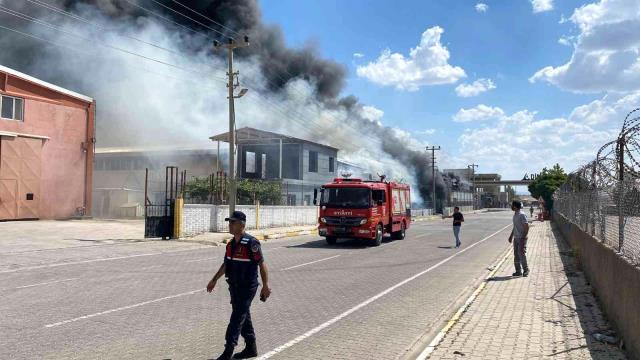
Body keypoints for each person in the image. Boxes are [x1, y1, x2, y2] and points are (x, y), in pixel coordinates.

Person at [207, 211, 271, 360]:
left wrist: (265, 286)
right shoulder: (230, 245)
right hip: (234, 286)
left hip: (248, 287)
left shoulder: (251, 243)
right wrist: (214, 279)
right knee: (243, 315)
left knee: (236, 318)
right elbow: (225, 265)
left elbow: (262, 264)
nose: (230, 225)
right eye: (229, 222)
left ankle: (228, 351)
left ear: (242, 225)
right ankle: (251, 348)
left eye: (233, 222)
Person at [508, 201, 530, 277]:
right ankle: (518, 271)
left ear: (515, 206)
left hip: (521, 238)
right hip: (516, 238)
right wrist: (511, 236)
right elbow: (515, 227)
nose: (511, 206)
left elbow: (526, 227)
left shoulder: (522, 215)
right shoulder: (515, 215)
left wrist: (523, 238)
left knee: (521, 254)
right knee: (516, 255)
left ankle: (526, 270)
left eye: (512, 205)